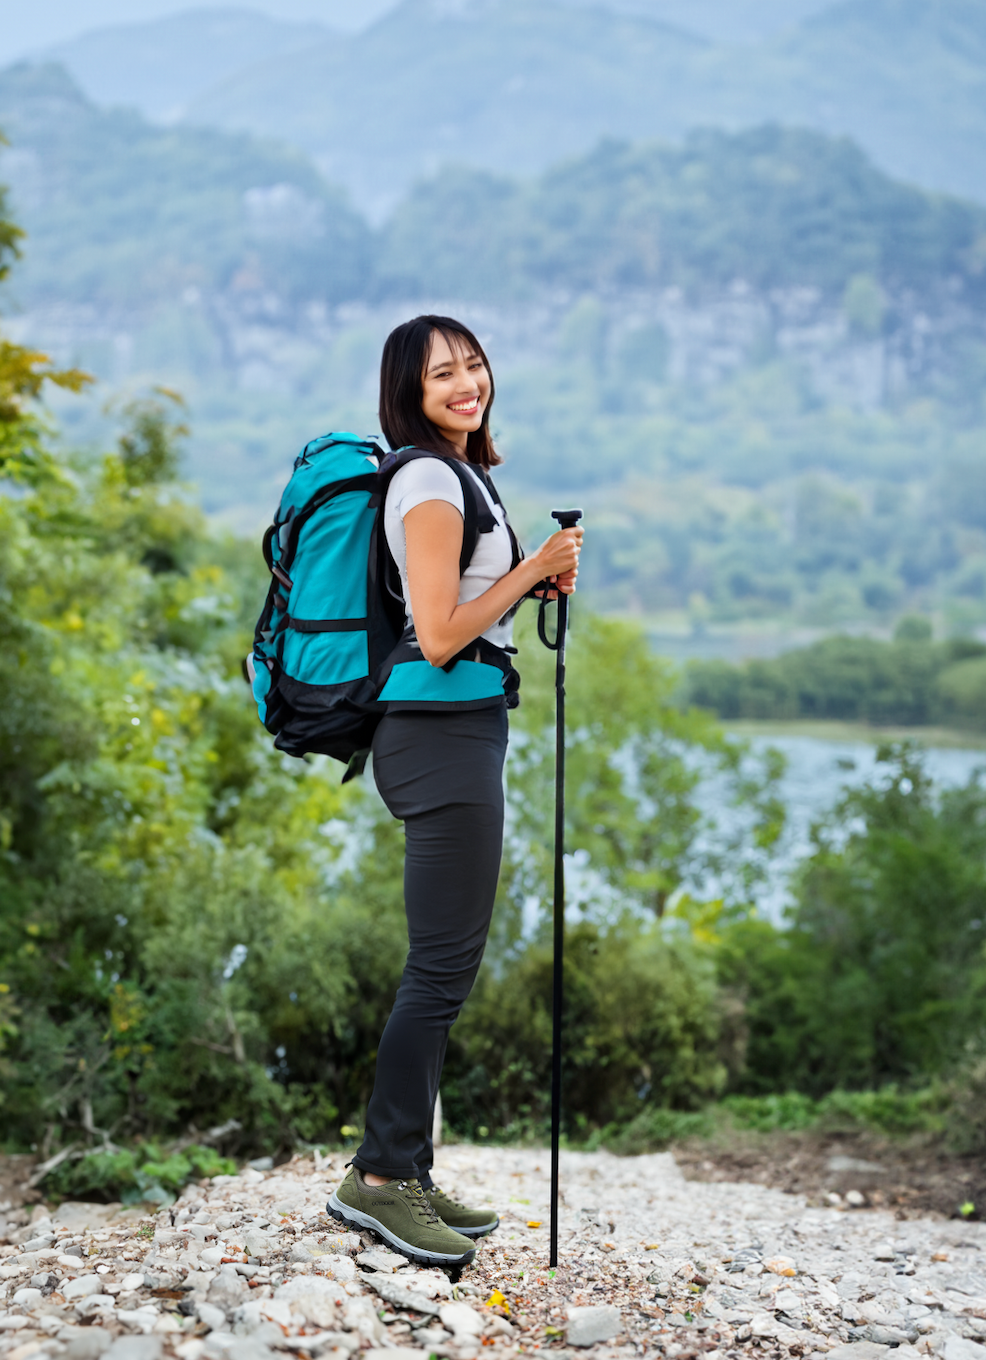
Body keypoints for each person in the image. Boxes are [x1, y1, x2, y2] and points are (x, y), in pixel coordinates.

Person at [326, 315, 583, 1266]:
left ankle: (409, 1169)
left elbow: (467, 619)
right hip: (436, 737)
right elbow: (437, 635)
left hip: (460, 732)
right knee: (438, 971)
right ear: (410, 389)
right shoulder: (429, 478)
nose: (466, 381)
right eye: (443, 372)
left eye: (473, 362)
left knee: (447, 968)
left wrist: (527, 586)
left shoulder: (461, 475)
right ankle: (382, 1180)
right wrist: (531, 570)